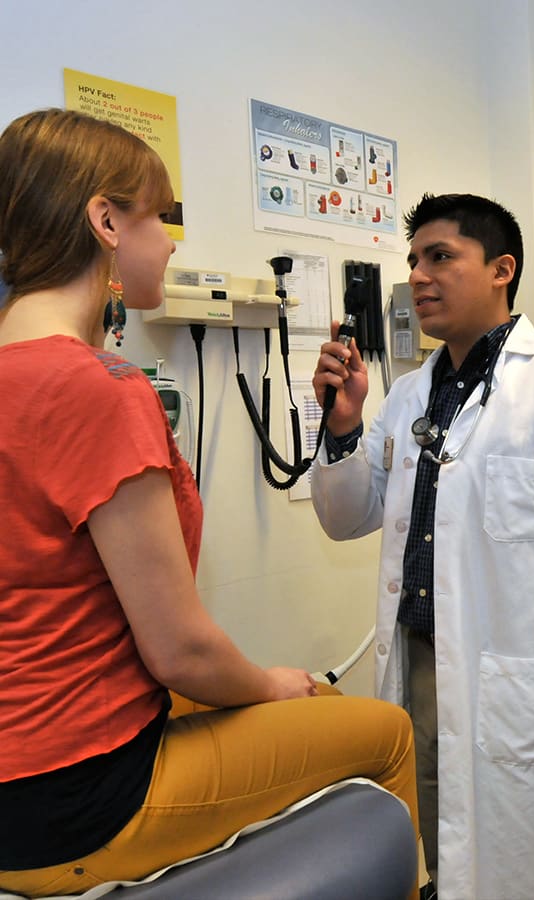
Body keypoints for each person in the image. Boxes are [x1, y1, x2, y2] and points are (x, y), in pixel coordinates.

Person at [0, 108, 420, 900]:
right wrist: (266, 685)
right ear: (105, 222)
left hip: (25, 768)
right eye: (159, 218)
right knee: (387, 731)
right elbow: (179, 653)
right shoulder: (97, 389)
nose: (169, 241)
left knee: (311, 693)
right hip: (80, 800)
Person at [311, 192, 534, 899]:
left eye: (441, 257)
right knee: (442, 847)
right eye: (413, 261)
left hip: (522, 683)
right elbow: (348, 518)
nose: (419, 276)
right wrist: (344, 428)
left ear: (502, 269)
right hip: (419, 668)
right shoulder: (409, 396)